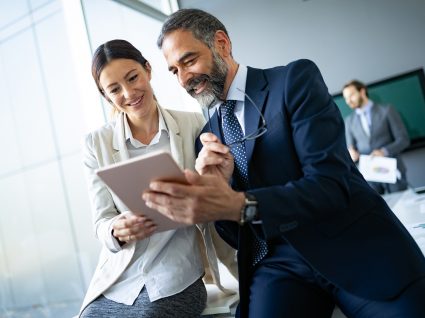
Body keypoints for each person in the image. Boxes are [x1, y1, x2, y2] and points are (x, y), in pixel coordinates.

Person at [141, 9, 425, 318]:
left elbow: (330, 185)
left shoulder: (293, 81)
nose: (184, 79)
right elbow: (238, 236)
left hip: (351, 245)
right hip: (279, 264)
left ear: (221, 44)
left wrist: (238, 203)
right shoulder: (207, 138)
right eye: (174, 71)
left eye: (189, 61)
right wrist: (217, 190)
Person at [78, 39, 237, 318]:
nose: (129, 93)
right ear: (106, 96)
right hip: (120, 280)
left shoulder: (194, 125)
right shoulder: (96, 144)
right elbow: (101, 222)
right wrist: (118, 228)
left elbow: (219, 192)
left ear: (148, 70)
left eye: (133, 77)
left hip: (176, 276)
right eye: (115, 89)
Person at [342, 80, 410, 194]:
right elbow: (350, 148)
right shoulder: (349, 121)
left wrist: (384, 151)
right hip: (369, 177)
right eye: (346, 98)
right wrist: (351, 154)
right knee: (376, 211)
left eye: (351, 95)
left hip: (393, 171)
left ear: (362, 91)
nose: (348, 101)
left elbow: (403, 139)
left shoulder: (387, 110)